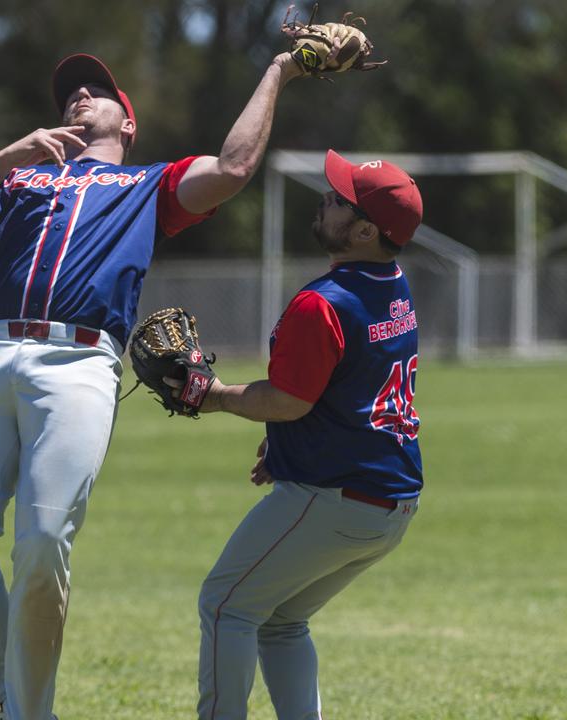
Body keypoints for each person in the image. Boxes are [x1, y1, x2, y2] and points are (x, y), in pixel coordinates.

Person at [0, 51, 307, 720]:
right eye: (71, 92)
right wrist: (4, 159)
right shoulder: (18, 181)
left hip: (77, 365)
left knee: (41, 544)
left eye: (98, 91)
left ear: (128, 125)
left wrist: (278, 70)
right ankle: (13, 694)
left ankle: (26, 714)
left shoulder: (148, 187)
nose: (80, 97)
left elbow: (234, 168)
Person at [183, 150, 425, 720]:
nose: (327, 197)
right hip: (391, 502)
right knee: (282, 621)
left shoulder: (323, 302)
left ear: (365, 230)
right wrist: (286, 445)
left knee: (226, 606)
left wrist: (211, 394)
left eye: (341, 198)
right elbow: (351, 386)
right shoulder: (393, 284)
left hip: (334, 496)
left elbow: (291, 400)